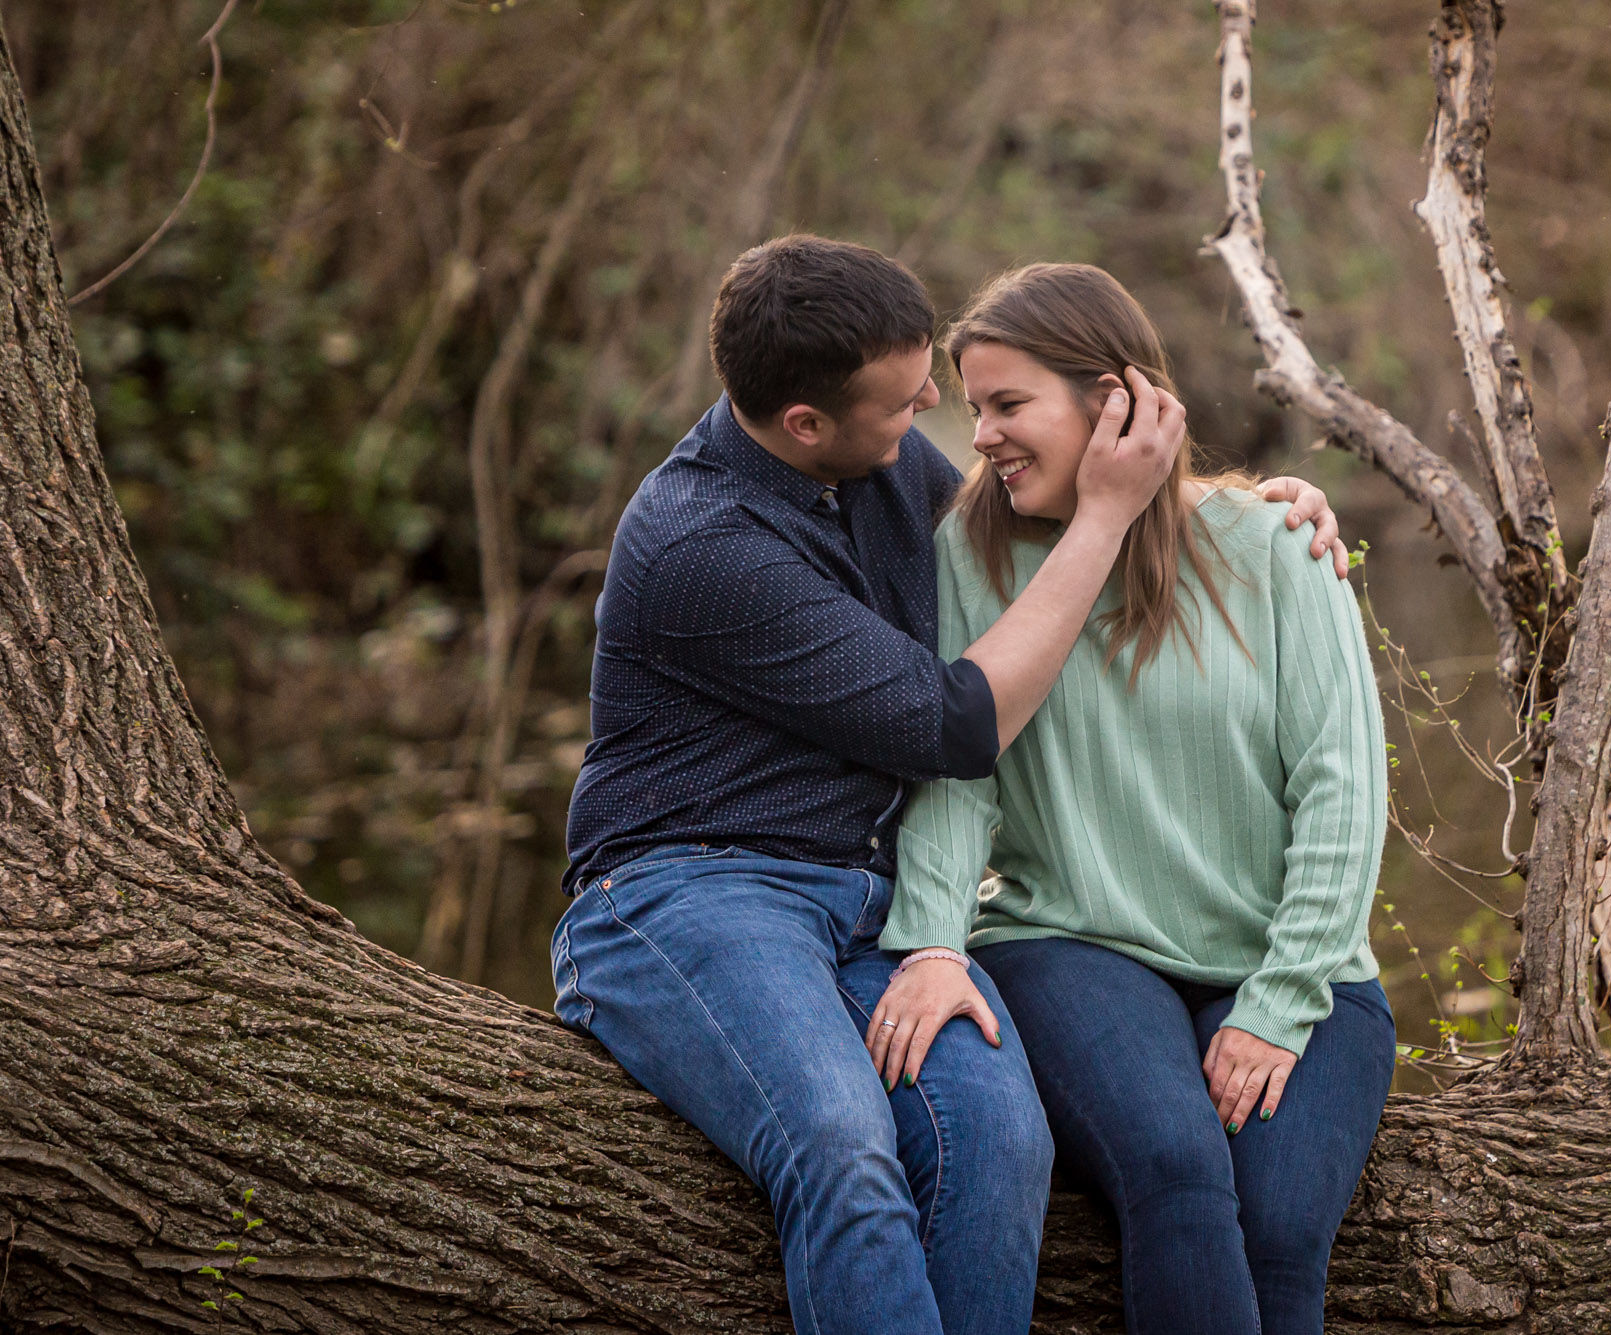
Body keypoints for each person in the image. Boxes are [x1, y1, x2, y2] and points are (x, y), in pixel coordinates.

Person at [549, 235, 1346, 1335]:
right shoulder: (702, 542)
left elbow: (1036, 509)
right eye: (904, 402)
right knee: (840, 1147)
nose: (935, 412)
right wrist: (1114, 513)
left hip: (865, 905)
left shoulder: (872, 468)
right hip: (687, 892)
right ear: (805, 426)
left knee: (999, 1143)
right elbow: (958, 724)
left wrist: (1250, 511)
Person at [872, 263, 1394, 1335]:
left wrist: (1280, 1001)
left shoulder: (1273, 548)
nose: (982, 437)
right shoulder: (968, 552)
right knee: (1175, 1175)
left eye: (1008, 405)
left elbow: (1341, 793)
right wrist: (929, 944)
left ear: (1114, 402)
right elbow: (958, 771)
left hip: (1293, 967)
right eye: (975, 409)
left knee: (1283, 1230)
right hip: (1071, 944)